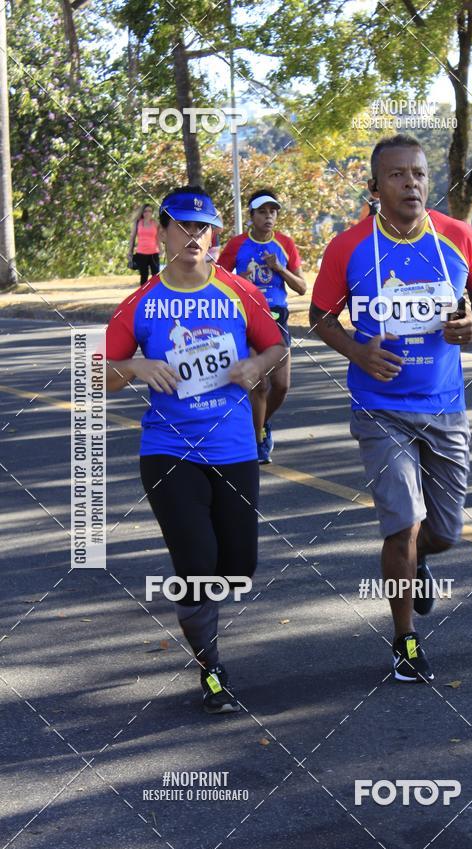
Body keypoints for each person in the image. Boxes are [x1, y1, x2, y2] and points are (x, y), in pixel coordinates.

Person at [310, 134, 472, 683]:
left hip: (445, 406)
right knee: (402, 526)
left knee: (442, 533)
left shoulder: (459, 237)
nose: (410, 183)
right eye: (396, 175)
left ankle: (419, 569)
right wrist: (357, 350)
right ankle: (404, 641)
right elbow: (320, 317)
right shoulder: (348, 248)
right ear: (374, 188)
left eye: (417, 173)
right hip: (380, 407)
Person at [106, 186, 285, 712]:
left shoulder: (236, 291)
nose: (193, 236)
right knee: (198, 563)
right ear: (161, 232)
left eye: (202, 227)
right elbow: (96, 375)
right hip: (169, 451)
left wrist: (258, 366)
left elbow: (276, 344)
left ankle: (199, 614)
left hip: (233, 449)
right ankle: (211, 667)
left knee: (238, 566)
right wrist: (135, 367)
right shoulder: (140, 304)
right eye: (182, 226)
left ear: (214, 235)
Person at [218, 189, 307, 463]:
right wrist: (238, 280)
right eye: (262, 212)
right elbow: (216, 280)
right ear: (251, 215)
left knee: (281, 386)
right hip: (248, 316)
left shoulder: (285, 244)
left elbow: (302, 287)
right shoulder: (237, 245)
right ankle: (256, 440)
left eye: (273, 211)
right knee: (259, 384)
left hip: (277, 316)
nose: (269, 216)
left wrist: (280, 269)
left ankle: (260, 423)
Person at [128, 203, 161, 286]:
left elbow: (158, 238)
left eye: (149, 211)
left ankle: (155, 296)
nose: (147, 213)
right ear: (142, 213)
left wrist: (161, 249)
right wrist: (129, 252)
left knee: (156, 276)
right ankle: (143, 296)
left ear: (152, 213)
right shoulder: (138, 223)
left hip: (154, 253)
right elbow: (132, 237)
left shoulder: (155, 223)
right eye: (145, 211)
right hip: (141, 253)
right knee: (144, 276)